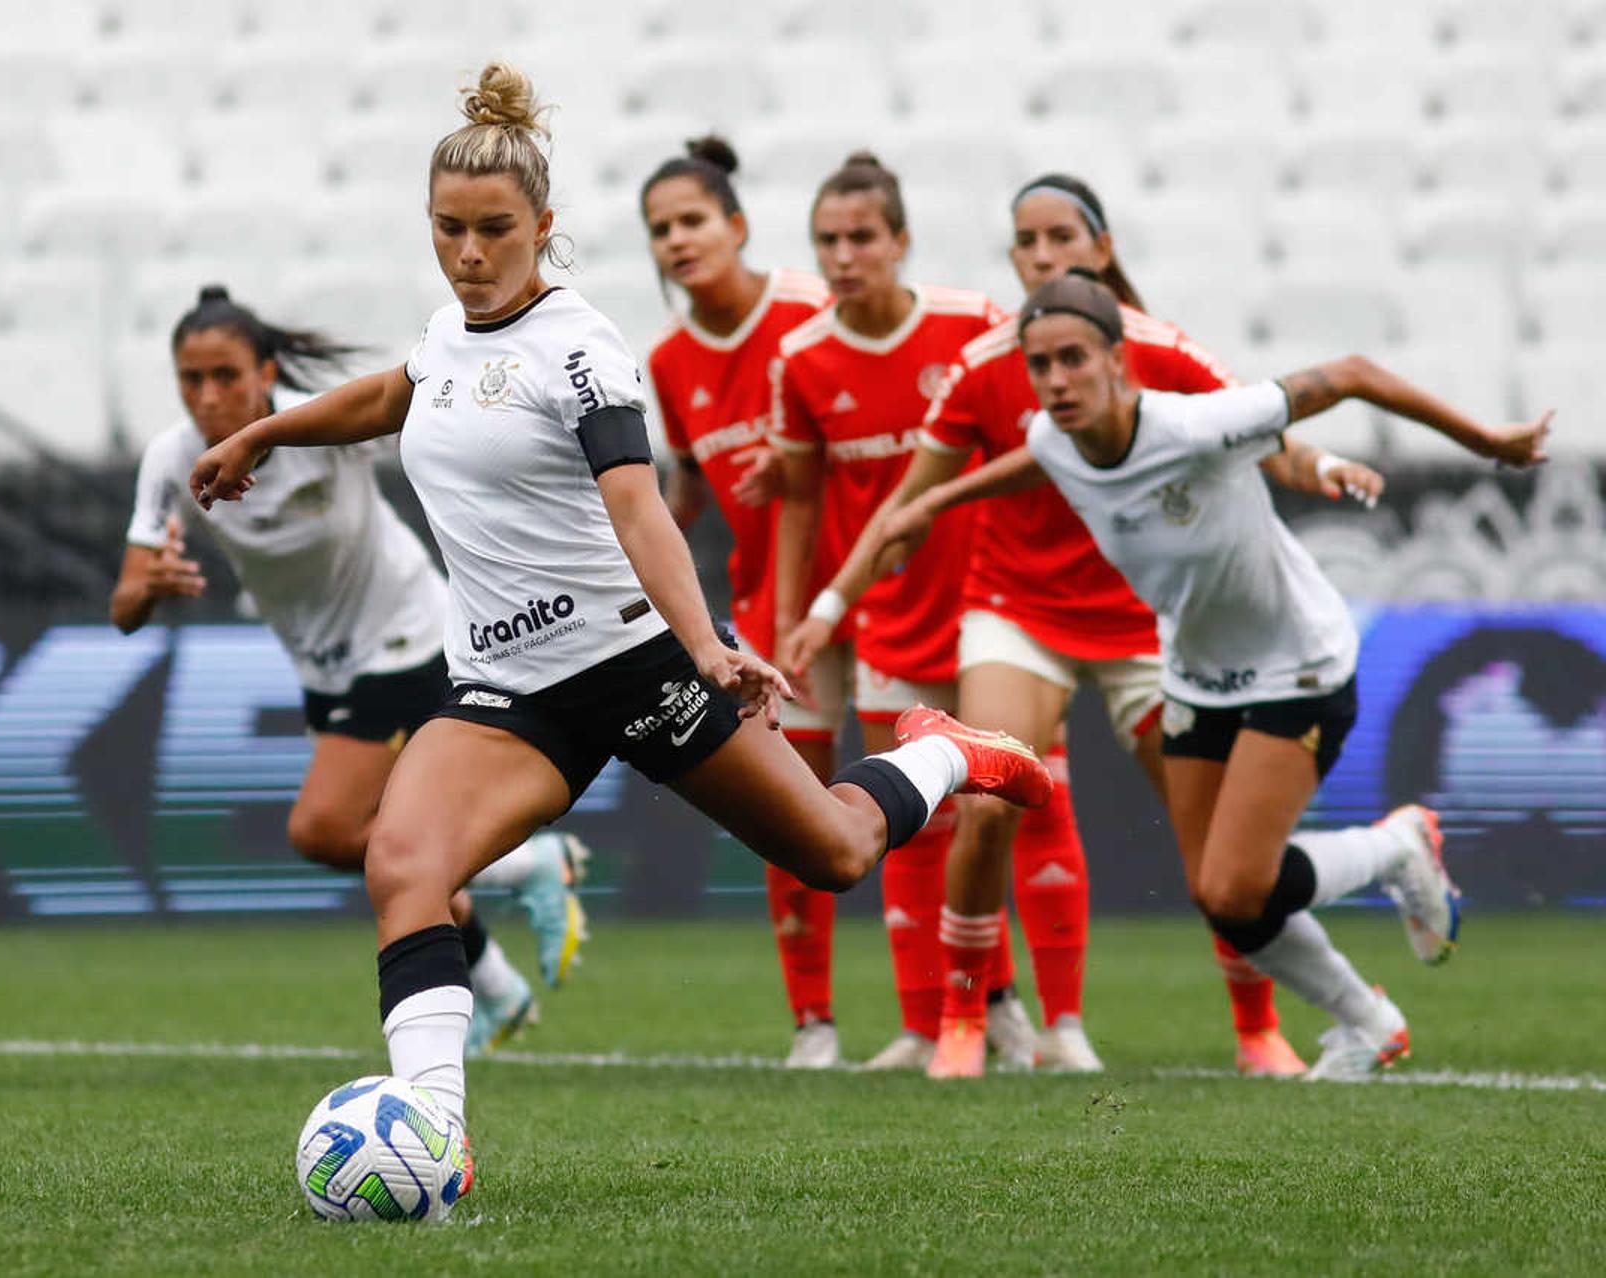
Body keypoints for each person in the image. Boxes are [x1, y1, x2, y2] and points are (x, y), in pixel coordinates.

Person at [187, 63, 1053, 1171]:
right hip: (508, 691)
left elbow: (639, 508)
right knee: (404, 864)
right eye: (447, 228)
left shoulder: (583, 349)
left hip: (638, 662)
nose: (467, 251)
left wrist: (707, 649)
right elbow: (397, 391)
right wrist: (265, 435)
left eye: (493, 229)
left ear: (542, 226)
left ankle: (944, 754)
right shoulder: (448, 335)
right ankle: (435, 1136)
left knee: (836, 851)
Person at [877, 271, 1550, 1079]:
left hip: (1295, 668)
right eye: (1041, 364)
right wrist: (931, 504)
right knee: (1218, 892)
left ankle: (1397, 850)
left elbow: (1354, 374)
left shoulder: (1200, 424)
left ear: (1119, 361)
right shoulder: (1056, 439)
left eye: (1074, 359)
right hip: (1195, 675)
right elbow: (1032, 463)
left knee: (1238, 889)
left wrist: (1489, 442)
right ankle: (1369, 1022)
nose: (1057, 380)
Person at [784, 175, 1385, 1079]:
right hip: (1015, 610)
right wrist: (826, 610)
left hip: (1148, 621)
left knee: (1212, 848)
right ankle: (961, 1021)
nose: (1043, 255)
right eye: (1025, 242)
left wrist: (1325, 462)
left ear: (1101, 250)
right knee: (987, 798)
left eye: (1061, 236)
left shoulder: (1162, 355)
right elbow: (914, 503)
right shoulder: (990, 363)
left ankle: (1258, 1029)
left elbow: (1270, 432)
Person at [111, 285, 589, 1055]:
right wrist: (149, 585)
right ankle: (499, 984)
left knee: (325, 827)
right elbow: (124, 605)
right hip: (326, 669)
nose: (210, 397)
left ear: (267, 373)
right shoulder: (171, 460)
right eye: (191, 381)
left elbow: (427, 422)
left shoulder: (318, 429)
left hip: (409, 639)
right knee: (381, 846)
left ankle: (527, 865)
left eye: (226, 375)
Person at [763, 151, 1017, 1072]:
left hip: (991, 605)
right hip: (887, 616)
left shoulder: (973, 329)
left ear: (900, 241)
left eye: (861, 237)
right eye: (826, 240)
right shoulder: (801, 357)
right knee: (911, 817)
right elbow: (801, 498)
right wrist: (801, 616)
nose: (843, 255)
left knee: (1009, 807)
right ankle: (924, 1025)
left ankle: (1025, 1014)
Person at [640, 135, 851, 1069]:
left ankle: (978, 1003)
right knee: (791, 811)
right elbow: (681, 500)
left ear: (736, 226)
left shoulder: (811, 310)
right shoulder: (667, 358)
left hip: (871, 595)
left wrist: (808, 455)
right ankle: (814, 1024)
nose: (677, 241)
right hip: (770, 606)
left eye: (692, 221)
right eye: (659, 230)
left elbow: (878, 427)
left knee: (935, 801)